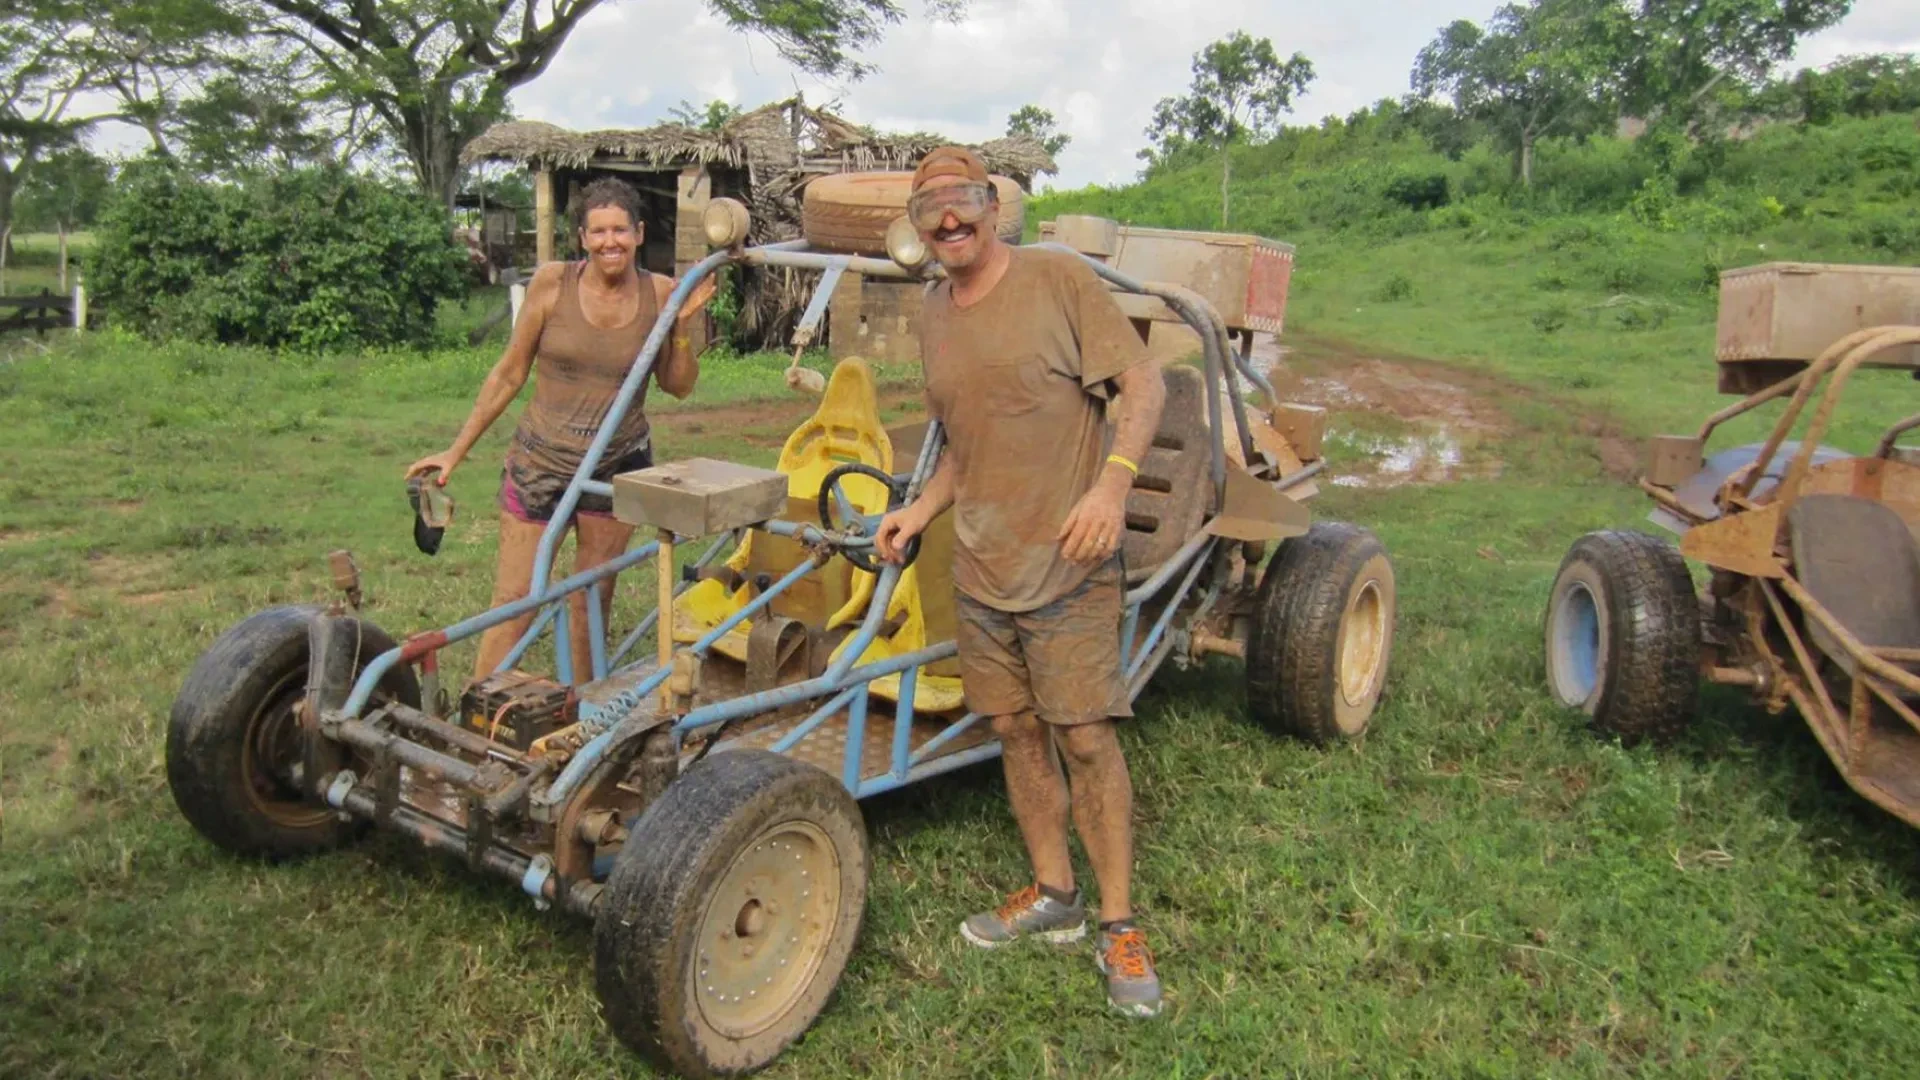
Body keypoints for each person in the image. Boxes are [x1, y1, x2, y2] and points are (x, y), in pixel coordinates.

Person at [874, 147, 1169, 1018]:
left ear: (993, 208)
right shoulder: (934, 312)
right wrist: (918, 511)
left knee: (1084, 738)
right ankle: (1054, 892)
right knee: (1014, 729)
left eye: (962, 201)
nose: (948, 219)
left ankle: (1118, 922)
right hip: (981, 567)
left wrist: (1112, 486)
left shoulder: (1057, 280)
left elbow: (1143, 384)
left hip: (1066, 563)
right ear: (918, 227)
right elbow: (965, 446)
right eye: (929, 208)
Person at [406, 177, 716, 683]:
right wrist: (455, 451)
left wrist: (679, 326)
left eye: (620, 230)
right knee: (515, 600)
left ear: (638, 234)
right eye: (599, 231)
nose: (610, 241)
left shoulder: (662, 293)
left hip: (614, 468)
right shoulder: (552, 284)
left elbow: (678, 386)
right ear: (582, 238)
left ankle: (584, 708)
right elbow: (510, 373)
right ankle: (476, 706)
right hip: (539, 465)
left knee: (590, 598)